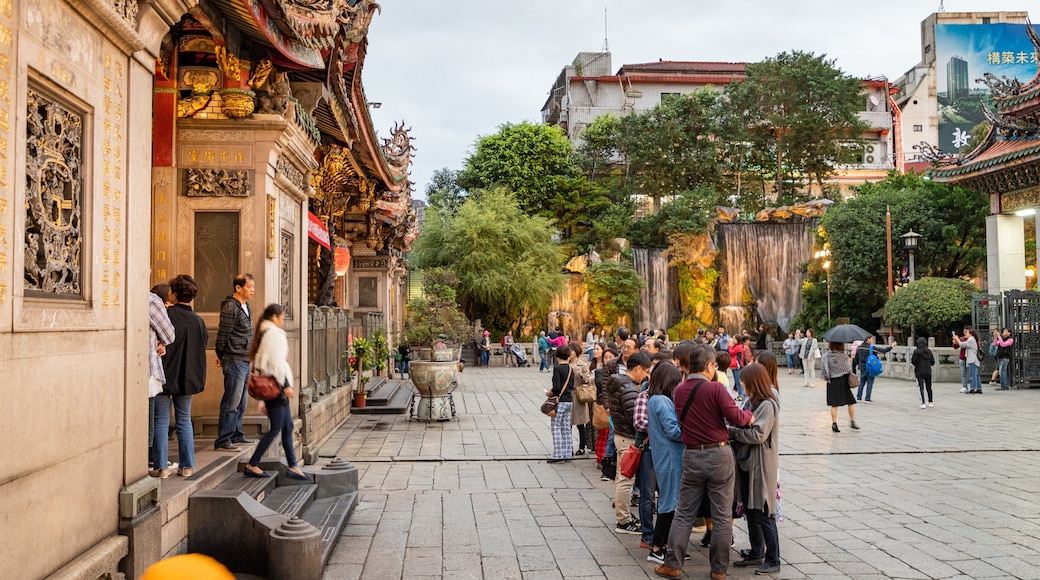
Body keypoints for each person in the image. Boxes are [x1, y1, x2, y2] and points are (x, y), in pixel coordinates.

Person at [656, 346, 754, 580]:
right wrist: (750, 416)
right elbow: (737, 418)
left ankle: (672, 565)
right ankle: (718, 570)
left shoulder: (679, 390)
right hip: (718, 455)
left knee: (684, 514)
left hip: (691, 455)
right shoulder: (717, 388)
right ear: (710, 366)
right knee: (721, 515)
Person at [243, 304, 308, 480]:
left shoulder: (265, 333)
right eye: (281, 317)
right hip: (277, 387)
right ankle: (253, 464)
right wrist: (286, 385)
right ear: (274, 317)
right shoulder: (274, 335)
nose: (282, 321)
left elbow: (265, 363)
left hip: (273, 388)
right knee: (276, 429)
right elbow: (276, 364)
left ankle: (293, 466)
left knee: (287, 426)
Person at [729, 363, 781, 575]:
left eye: (744, 381)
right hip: (747, 462)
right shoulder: (751, 401)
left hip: (761, 463)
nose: (742, 384)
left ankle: (773, 559)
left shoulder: (767, 405)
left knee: (763, 511)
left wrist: (731, 431)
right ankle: (756, 552)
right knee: (750, 511)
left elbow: (758, 435)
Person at [156, 275, 207, 478]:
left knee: (161, 420)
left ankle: (161, 467)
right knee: (184, 419)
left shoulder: (166, 315)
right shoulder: (198, 322)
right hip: (187, 377)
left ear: (174, 293)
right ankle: (187, 466)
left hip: (164, 375)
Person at [606, 351, 651, 534]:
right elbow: (635, 419)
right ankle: (623, 520)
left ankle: (623, 515)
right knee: (625, 479)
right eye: (646, 370)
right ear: (638, 368)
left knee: (621, 477)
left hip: (620, 434)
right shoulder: (630, 389)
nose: (647, 374)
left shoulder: (618, 383)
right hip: (628, 438)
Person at [645, 361, 684, 565]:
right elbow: (674, 431)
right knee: (669, 503)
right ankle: (658, 547)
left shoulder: (654, 399)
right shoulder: (662, 401)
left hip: (663, 456)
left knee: (669, 501)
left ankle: (667, 546)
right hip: (670, 457)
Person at [214, 273, 256, 451]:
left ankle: (237, 433)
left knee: (241, 401)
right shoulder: (231, 307)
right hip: (234, 358)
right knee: (232, 400)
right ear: (238, 288)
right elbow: (223, 334)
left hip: (245, 358)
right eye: (249, 286)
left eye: (253, 287)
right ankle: (224, 438)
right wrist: (221, 355)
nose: (252, 290)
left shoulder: (246, 306)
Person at [148, 286, 176, 473]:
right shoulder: (151, 301)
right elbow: (169, 334)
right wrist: (161, 341)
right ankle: (151, 465)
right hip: (147, 370)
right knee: (149, 424)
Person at [547, 345, 576, 464]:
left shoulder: (558, 368)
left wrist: (550, 393)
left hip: (560, 401)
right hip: (569, 400)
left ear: (557, 355)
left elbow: (557, 387)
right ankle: (567, 453)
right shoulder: (570, 368)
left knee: (556, 427)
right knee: (566, 428)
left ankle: (558, 454)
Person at [821, 341, 858, 432]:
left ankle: (834, 423)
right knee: (850, 401)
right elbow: (848, 369)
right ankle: (852, 421)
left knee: (834, 404)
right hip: (843, 380)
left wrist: (828, 378)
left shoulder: (826, 356)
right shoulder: (843, 355)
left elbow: (825, 370)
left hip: (833, 381)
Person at [567, 341, 594, 456]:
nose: (570, 352)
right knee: (567, 423)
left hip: (578, 395)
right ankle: (568, 446)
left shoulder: (582, 365)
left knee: (580, 423)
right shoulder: (565, 364)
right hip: (568, 395)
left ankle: (582, 446)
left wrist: (581, 375)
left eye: (572, 350)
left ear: (577, 352)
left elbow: (588, 380)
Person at [854, 335, 896, 402]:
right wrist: (891, 346)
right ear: (868, 339)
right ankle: (867, 398)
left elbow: (856, 358)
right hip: (870, 367)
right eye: (871, 339)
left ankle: (859, 397)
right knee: (870, 382)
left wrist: (857, 366)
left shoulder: (859, 348)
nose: (872, 340)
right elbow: (883, 350)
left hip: (862, 367)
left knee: (862, 382)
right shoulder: (871, 347)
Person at [954, 328, 982, 394]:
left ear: (971, 334)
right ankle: (978, 388)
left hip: (972, 359)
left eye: (967, 333)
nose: (966, 334)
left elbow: (962, 345)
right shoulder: (973, 339)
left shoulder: (971, 339)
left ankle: (973, 388)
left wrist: (957, 339)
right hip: (974, 359)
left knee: (972, 375)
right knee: (976, 374)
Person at [910, 337, 935, 409]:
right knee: (929, 387)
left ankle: (922, 402)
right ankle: (930, 401)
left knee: (920, 387)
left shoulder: (916, 352)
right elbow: (932, 362)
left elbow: (913, 361)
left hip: (919, 371)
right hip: (928, 371)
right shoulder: (929, 351)